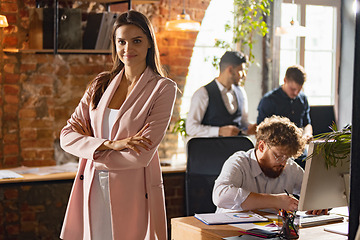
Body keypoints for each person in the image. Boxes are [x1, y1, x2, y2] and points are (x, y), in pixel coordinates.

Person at [59, 10, 177, 240]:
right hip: (91, 186)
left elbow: (140, 156)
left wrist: (91, 148)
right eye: (121, 41)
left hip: (133, 190)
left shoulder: (163, 88)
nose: (127, 48)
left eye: (136, 41)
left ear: (149, 43)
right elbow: (66, 136)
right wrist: (112, 145)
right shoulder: (100, 84)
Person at [213, 116, 306, 213]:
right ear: (262, 146)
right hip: (230, 226)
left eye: (287, 157)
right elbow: (220, 196)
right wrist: (275, 201)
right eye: (279, 156)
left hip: (271, 227)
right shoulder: (239, 162)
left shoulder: (290, 167)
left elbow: (312, 192)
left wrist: (318, 205)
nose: (283, 162)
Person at [186, 51, 257, 137]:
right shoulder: (203, 94)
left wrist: (249, 128)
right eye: (241, 70)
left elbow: (243, 123)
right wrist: (219, 131)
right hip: (212, 149)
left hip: (238, 148)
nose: (244, 75)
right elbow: (190, 128)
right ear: (230, 70)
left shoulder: (241, 92)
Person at [256, 65, 312, 169]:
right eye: (293, 89)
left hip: (299, 151)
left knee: (310, 167)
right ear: (285, 80)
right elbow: (260, 131)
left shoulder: (303, 99)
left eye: (299, 90)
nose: (296, 93)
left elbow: (307, 123)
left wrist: (308, 134)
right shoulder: (269, 100)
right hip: (277, 151)